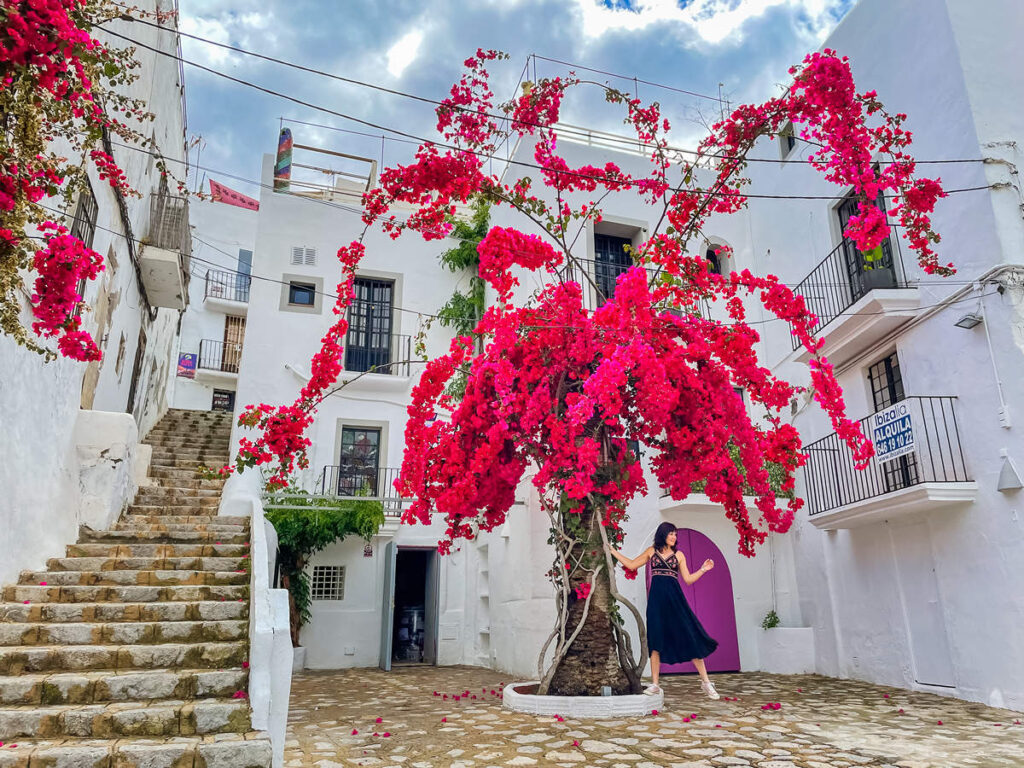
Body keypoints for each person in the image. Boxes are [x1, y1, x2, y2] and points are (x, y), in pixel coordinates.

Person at [609, 522, 720, 699]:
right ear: (663, 534)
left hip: (676, 602)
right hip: (656, 603)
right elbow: (631, 565)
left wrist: (703, 569)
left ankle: (706, 683)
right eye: (671, 534)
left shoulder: (680, 555)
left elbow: (688, 579)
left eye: (675, 534)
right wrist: (613, 551)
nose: (674, 537)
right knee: (655, 640)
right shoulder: (652, 551)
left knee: (690, 637)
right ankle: (655, 684)